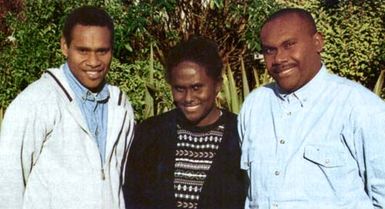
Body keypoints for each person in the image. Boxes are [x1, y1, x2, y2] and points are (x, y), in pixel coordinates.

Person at [238, 7, 385, 209]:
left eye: (289, 45)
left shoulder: (360, 107)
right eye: (269, 50)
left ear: (317, 42)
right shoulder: (254, 106)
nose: (279, 58)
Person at [0, 6, 135, 209]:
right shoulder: (36, 102)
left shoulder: (120, 105)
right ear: (65, 46)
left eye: (102, 51)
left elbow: (119, 180)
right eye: (83, 50)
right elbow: (7, 184)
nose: (93, 62)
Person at [123, 36, 247, 209]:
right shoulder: (151, 134)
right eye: (179, 89)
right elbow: (133, 197)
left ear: (217, 85)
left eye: (197, 87)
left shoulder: (240, 135)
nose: (188, 98)